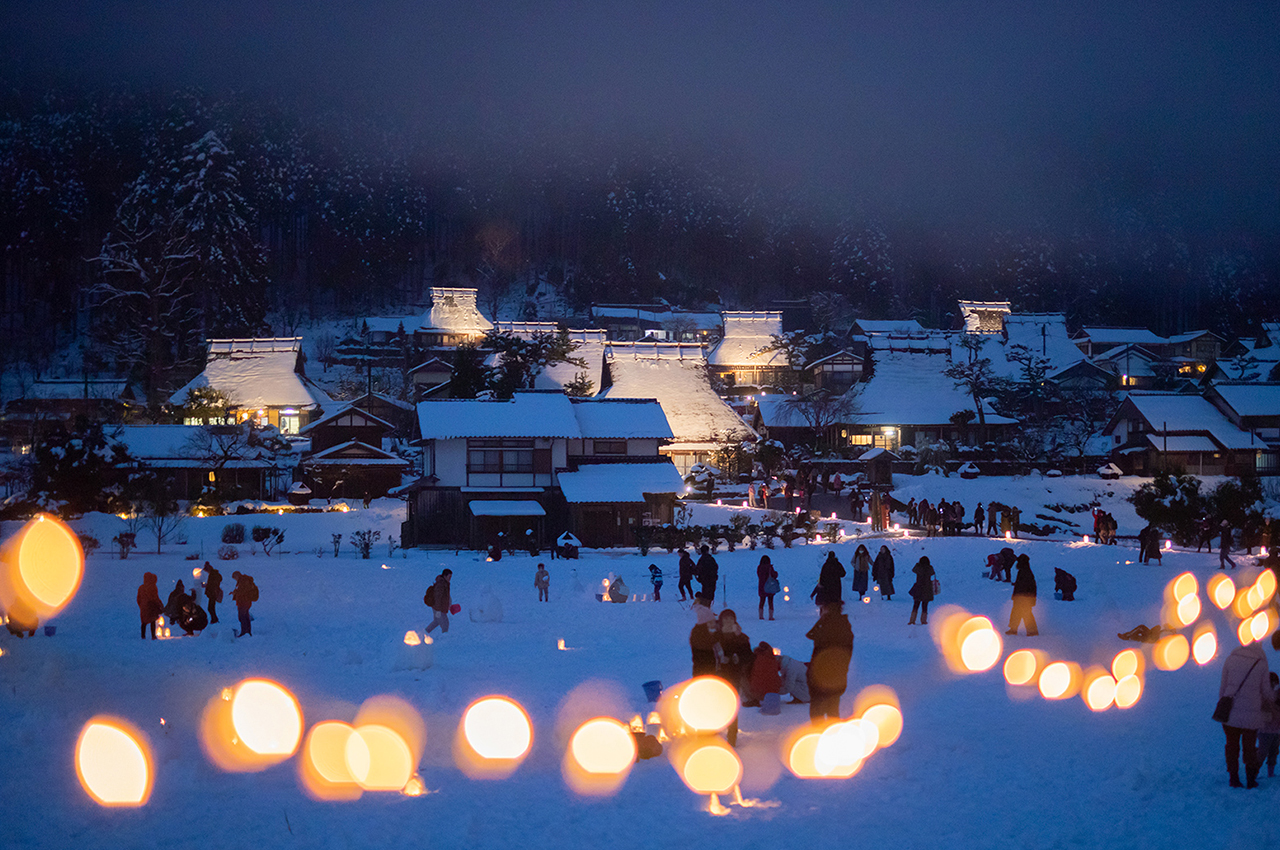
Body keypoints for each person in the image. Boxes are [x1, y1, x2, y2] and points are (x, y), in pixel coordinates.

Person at [1218, 639, 1275, 788]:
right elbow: (1266, 691)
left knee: (1231, 746)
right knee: (1249, 747)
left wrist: (1223, 706)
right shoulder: (1261, 663)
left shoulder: (1230, 659)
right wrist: (1274, 698)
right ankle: (1250, 779)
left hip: (1230, 713)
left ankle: (1233, 778)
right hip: (1252, 713)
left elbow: (1223, 687)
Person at [806, 601, 854, 722]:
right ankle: (831, 735)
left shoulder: (827, 625)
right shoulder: (844, 626)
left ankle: (819, 734)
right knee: (832, 709)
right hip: (837, 674)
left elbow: (812, 635)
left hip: (822, 673)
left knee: (818, 710)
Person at [713, 609, 752, 745]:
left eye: (731, 619)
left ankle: (732, 735)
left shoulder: (741, 637)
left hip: (734, 675)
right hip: (718, 675)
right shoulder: (716, 637)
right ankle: (714, 730)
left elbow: (749, 656)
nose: (728, 622)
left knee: (732, 705)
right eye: (726, 619)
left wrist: (738, 658)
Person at [1007, 554, 1038, 636]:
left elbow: (1031, 586)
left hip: (1024, 598)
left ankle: (1032, 631)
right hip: (1019, 597)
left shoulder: (1026, 572)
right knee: (1016, 613)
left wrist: (1031, 598)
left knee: (1026, 613)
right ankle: (1013, 629)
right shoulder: (1023, 571)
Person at [1258, 672, 1280, 779]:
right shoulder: (1263, 696)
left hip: (1275, 729)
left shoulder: (1276, 695)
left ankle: (1270, 774)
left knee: (1273, 752)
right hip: (1265, 730)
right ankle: (1253, 773)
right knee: (1262, 753)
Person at [747, 641, 783, 706]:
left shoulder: (755, 658)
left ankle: (753, 699)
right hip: (774, 692)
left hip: (758, 692)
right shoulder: (773, 659)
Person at [908, 556, 935, 625]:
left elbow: (914, 570)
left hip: (919, 587)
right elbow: (933, 573)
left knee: (916, 605)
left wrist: (917, 564)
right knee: (925, 606)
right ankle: (923, 620)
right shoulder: (929, 568)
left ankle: (912, 620)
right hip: (927, 588)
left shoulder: (918, 568)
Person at [230, 571, 258, 637]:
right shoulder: (244, 580)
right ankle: (247, 632)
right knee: (245, 616)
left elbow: (243, 592)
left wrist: (236, 593)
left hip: (244, 602)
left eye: (235, 578)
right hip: (246, 602)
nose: (235, 580)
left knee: (242, 617)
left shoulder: (243, 581)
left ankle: (244, 632)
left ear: (237, 576)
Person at [137, 572, 164, 640]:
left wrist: (141, 605)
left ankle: (143, 635)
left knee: (144, 622)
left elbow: (138, 598)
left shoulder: (141, 587)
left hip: (143, 607)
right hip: (151, 606)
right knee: (152, 621)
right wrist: (160, 604)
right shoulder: (153, 587)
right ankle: (153, 635)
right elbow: (155, 597)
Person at [425, 569, 453, 634]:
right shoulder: (441, 584)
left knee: (437, 621)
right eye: (449, 577)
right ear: (445, 576)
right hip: (438, 608)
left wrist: (449, 604)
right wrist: (438, 610)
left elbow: (446, 596)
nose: (450, 578)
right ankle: (445, 638)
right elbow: (437, 597)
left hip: (438, 608)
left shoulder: (445, 583)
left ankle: (425, 632)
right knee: (445, 624)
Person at [756, 555, 778, 620]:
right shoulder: (770, 568)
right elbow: (774, 575)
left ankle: (761, 616)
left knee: (762, 601)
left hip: (762, 586)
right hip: (769, 586)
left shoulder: (759, 568)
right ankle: (770, 616)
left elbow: (759, 575)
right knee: (770, 601)